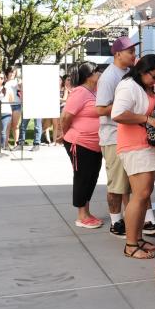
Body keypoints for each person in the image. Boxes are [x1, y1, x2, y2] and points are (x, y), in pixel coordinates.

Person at [96, 36, 155, 239]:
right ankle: (120, 225)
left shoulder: (134, 78)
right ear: (117, 53)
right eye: (130, 52)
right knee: (121, 186)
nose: (134, 56)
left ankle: (143, 225)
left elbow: (147, 100)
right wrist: (141, 115)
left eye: (135, 52)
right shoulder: (113, 79)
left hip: (141, 141)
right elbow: (105, 110)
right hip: (117, 137)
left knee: (140, 192)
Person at [111, 53, 155, 259]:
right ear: (143, 72)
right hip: (134, 146)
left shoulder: (144, 87)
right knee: (140, 195)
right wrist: (145, 118)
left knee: (144, 195)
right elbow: (117, 113)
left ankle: (138, 238)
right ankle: (131, 244)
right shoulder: (128, 86)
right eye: (154, 76)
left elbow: (150, 108)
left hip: (145, 145)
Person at [60, 62, 105, 229]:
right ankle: (81, 215)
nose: (99, 73)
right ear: (88, 75)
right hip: (79, 143)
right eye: (95, 71)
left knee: (91, 177)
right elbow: (66, 117)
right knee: (82, 177)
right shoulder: (80, 92)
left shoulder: (94, 92)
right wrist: (64, 134)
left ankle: (86, 212)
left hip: (95, 144)